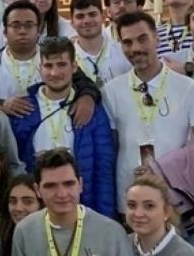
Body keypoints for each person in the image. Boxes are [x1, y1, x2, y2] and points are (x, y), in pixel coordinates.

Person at [102, 11, 194, 213]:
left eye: (143, 39)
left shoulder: (188, 88)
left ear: (157, 39)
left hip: (177, 197)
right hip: (129, 200)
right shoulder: (112, 90)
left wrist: (164, 168)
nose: (135, 48)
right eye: (128, 42)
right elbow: (111, 146)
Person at [10, 37, 116, 217]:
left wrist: (104, 217)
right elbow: (14, 162)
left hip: (81, 203)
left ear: (74, 67)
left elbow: (103, 168)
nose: (54, 72)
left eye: (61, 65)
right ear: (40, 68)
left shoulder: (91, 109)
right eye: (48, 66)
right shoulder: (24, 109)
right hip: (36, 205)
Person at [0, 149, 136, 256]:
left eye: (69, 184)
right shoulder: (24, 230)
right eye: (51, 186)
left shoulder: (112, 232)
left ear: (80, 185)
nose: (62, 194)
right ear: (37, 190)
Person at [69, 0, 131, 87]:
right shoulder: (67, 57)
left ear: (103, 17)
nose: (86, 21)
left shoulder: (123, 53)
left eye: (92, 14)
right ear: (72, 22)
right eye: (80, 16)